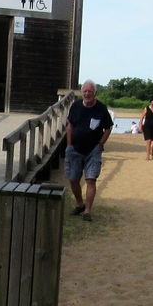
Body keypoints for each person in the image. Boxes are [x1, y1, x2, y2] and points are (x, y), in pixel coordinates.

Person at [65, 80, 113, 221]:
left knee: (91, 180)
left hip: (93, 150)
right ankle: (80, 204)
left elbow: (108, 127)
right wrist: (69, 145)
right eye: (85, 91)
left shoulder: (101, 109)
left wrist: (100, 144)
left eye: (90, 91)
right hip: (74, 149)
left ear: (95, 93)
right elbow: (70, 126)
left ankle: (87, 211)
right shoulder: (76, 106)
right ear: (82, 92)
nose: (87, 94)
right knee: (73, 180)